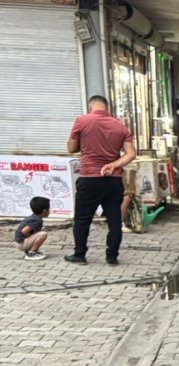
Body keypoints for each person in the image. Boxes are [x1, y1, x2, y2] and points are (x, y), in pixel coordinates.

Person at [65, 94, 136, 266]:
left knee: (82, 219)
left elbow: (71, 148)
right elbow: (131, 154)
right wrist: (113, 164)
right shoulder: (120, 126)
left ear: (91, 107)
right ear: (107, 107)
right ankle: (112, 257)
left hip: (89, 179)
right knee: (114, 220)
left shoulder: (82, 121)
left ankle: (80, 255)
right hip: (113, 180)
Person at [14, 196, 49, 260]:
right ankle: (32, 253)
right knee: (43, 234)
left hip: (19, 242)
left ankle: (30, 251)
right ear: (44, 211)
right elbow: (24, 231)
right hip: (21, 243)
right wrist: (29, 237)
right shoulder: (37, 220)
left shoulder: (33, 217)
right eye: (49, 209)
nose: (49, 211)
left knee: (37, 234)